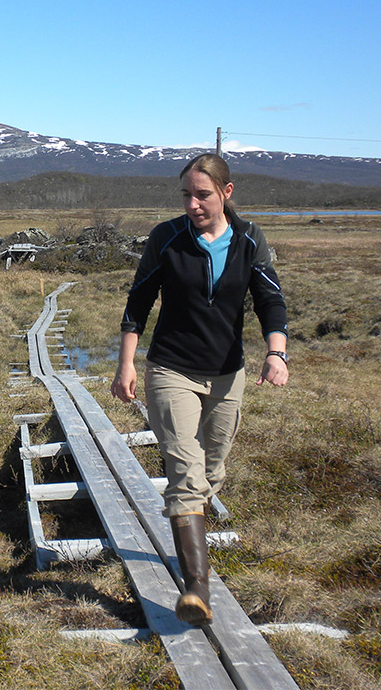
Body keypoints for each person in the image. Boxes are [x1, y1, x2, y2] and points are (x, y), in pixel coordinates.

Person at [110, 153, 289, 625]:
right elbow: (139, 302)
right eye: (186, 194)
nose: (192, 204)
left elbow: (270, 298)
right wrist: (126, 364)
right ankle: (196, 588)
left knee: (211, 471)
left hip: (228, 374)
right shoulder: (165, 238)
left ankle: (192, 552)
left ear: (227, 193)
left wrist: (277, 352)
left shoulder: (249, 239)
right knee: (186, 474)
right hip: (171, 369)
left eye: (202, 195)